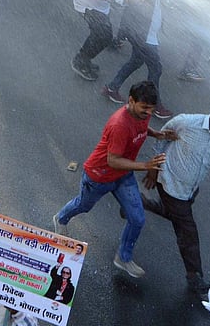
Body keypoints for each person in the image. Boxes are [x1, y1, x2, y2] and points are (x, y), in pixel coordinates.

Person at [52, 82, 172, 279]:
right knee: (83, 205)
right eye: (145, 108)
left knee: (137, 218)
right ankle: (61, 218)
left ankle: (123, 258)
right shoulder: (119, 125)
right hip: (99, 176)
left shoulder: (142, 113)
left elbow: (142, 126)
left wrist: (156, 133)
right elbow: (113, 160)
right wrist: (145, 166)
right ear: (131, 101)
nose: (148, 112)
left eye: (151, 108)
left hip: (124, 175)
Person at [141, 99, 210, 294]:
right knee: (187, 232)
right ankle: (194, 276)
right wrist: (153, 168)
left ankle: (138, 202)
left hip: (190, 189)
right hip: (170, 183)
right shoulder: (186, 122)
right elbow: (161, 138)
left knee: (172, 214)